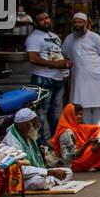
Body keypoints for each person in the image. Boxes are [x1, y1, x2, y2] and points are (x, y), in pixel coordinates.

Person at [25, 11, 70, 140]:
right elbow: (33, 58)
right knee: (41, 112)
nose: (46, 21)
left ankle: (54, 140)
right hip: (42, 78)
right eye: (41, 19)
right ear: (36, 23)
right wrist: (53, 64)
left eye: (47, 18)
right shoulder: (33, 38)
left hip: (58, 78)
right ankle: (41, 142)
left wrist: (65, 63)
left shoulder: (54, 36)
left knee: (55, 111)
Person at [2, 108, 72, 190]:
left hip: (36, 172)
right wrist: (49, 172)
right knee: (37, 181)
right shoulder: (12, 143)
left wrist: (47, 171)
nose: (37, 128)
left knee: (68, 172)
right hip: (21, 177)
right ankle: (49, 182)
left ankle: (49, 182)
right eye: (36, 125)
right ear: (27, 126)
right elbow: (22, 170)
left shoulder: (26, 133)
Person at [62, 13, 100, 125]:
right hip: (79, 80)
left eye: (80, 22)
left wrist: (96, 68)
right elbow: (65, 54)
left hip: (97, 79)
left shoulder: (95, 38)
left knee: (98, 109)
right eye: (75, 22)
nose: (77, 24)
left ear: (85, 23)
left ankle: (97, 136)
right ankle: (87, 135)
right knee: (83, 109)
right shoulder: (69, 39)